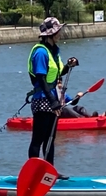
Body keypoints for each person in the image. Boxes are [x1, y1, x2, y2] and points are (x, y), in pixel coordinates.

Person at [27, 17, 77, 167]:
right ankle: (33, 171)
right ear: (51, 34)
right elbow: (41, 79)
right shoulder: (41, 52)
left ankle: (49, 170)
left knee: (50, 138)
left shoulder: (53, 52)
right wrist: (53, 101)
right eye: (58, 31)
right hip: (42, 99)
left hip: (52, 98)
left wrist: (69, 65)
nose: (60, 34)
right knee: (38, 139)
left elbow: (59, 73)